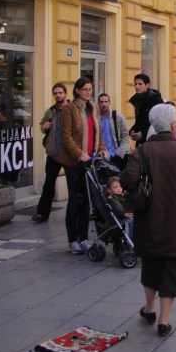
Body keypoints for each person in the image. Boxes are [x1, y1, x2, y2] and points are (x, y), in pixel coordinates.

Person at [120, 104, 176, 337]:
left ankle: (149, 309)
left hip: (150, 217)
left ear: (152, 126)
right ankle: (164, 320)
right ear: (172, 126)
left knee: (151, 263)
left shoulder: (143, 151)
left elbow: (127, 178)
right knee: (171, 266)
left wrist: (141, 192)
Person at [58, 77, 108, 254]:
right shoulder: (69, 109)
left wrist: (102, 149)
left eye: (90, 89)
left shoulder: (93, 108)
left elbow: (98, 134)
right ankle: (72, 240)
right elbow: (66, 137)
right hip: (73, 162)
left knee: (87, 201)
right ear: (77, 90)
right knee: (75, 201)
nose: (88, 92)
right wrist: (79, 153)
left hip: (90, 161)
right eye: (85, 89)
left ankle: (84, 238)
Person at [33, 83, 69, 223]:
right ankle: (42, 213)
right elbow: (42, 126)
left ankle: (76, 213)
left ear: (65, 94)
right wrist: (44, 126)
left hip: (68, 154)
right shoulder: (50, 111)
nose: (58, 95)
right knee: (48, 184)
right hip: (53, 153)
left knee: (74, 185)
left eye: (60, 93)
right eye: (55, 93)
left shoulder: (72, 109)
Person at [97, 93, 131, 170]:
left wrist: (120, 152)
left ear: (109, 102)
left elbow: (126, 135)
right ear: (98, 103)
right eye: (101, 102)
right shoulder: (96, 118)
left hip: (117, 155)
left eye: (106, 101)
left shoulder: (118, 117)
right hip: (102, 156)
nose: (104, 104)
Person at [128, 74, 164, 145]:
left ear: (147, 85)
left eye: (140, 84)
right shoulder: (138, 100)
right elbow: (139, 121)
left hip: (154, 142)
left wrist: (143, 133)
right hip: (141, 142)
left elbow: (159, 123)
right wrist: (133, 131)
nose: (137, 86)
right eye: (135, 84)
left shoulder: (156, 100)